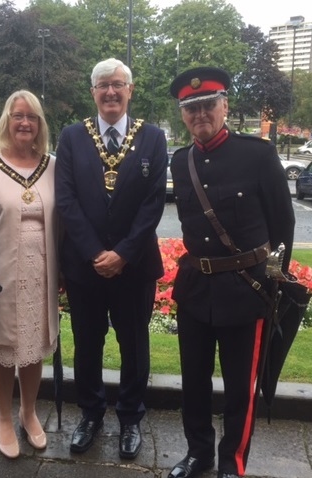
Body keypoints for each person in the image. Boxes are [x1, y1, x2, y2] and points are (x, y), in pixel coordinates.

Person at [167, 67, 295, 478]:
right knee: (195, 384)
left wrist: (273, 279)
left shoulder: (257, 155)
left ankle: (231, 464)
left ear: (224, 105)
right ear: (182, 115)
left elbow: (283, 228)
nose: (200, 114)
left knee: (241, 388)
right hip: (195, 291)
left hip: (246, 289)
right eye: (191, 108)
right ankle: (198, 454)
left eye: (207, 105)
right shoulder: (179, 159)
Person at [55, 58, 168, 459]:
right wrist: (95, 252)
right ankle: (90, 413)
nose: (110, 92)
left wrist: (122, 253)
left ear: (130, 90)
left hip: (134, 266)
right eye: (103, 84)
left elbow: (154, 202)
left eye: (118, 84)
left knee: (134, 343)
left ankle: (131, 418)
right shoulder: (71, 136)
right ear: (93, 92)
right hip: (85, 266)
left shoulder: (153, 137)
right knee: (87, 342)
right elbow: (66, 199)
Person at [0, 90, 59, 459]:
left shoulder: (52, 165)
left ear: (40, 125)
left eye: (32, 117)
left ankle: (28, 412)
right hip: (1, 273)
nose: (25, 123)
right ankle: (4, 417)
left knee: (34, 348)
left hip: (42, 272)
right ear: (7, 120)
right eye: (18, 116)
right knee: (3, 348)